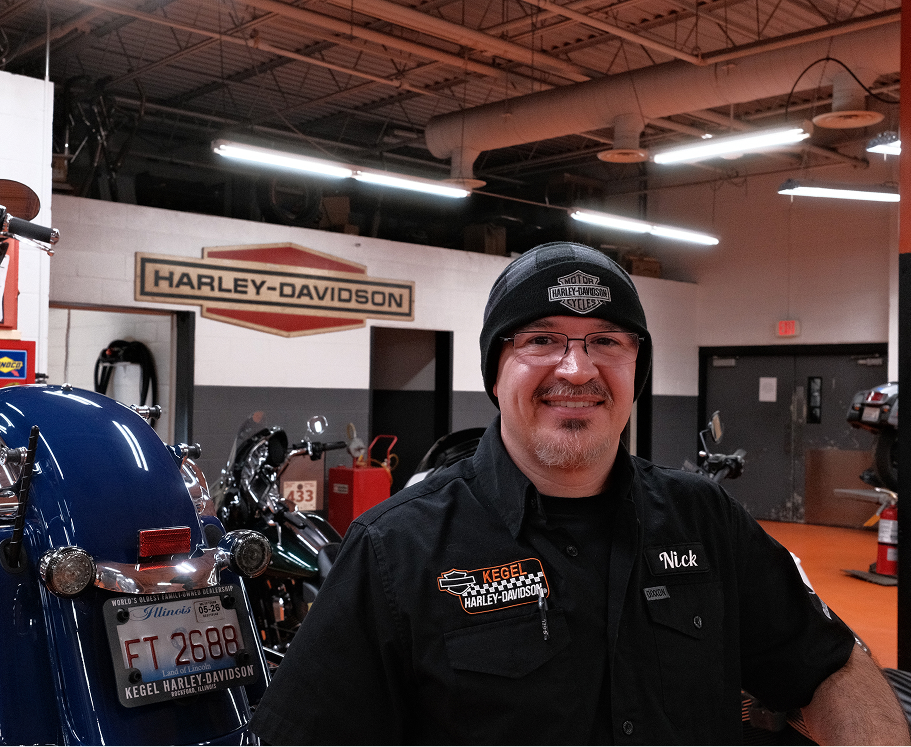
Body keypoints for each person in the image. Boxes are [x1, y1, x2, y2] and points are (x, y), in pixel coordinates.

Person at [248, 241, 910, 745]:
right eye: (541, 339)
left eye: (605, 342)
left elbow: (830, 666)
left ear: (634, 368)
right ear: (495, 368)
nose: (576, 368)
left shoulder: (704, 521)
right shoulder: (394, 551)